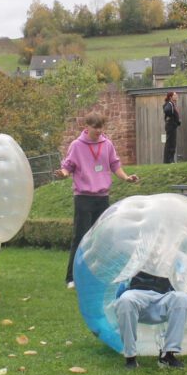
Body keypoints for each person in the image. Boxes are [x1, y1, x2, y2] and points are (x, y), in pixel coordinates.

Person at [54, 113, 140, 289]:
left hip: (102, 198)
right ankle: (71, 277)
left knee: (102, 238)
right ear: (87, 126)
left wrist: (126, 178)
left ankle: (100, 275)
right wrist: (62, 174)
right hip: (83, 198)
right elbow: (68, 167)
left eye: (101, 127)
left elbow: (115, 165)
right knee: (80, 237)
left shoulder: (107, 144)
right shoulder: (77, 145)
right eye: (95, 127)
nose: (99, 131)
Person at [114, 271, 187, 369]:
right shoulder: (136, 257)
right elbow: (123, 278)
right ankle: (130, 357)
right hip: (137, 293)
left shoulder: (173, 258)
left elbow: (182, 279)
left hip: (164, 295)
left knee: (183, 298)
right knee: (125, 300)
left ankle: (168, 354)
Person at [162, 91, 181, 164]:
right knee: (170, 143)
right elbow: (167, 110)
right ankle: (169, 160)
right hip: (170, 125)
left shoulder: (173, 104)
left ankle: (170, 159)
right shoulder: (169, 104)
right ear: (171, 97)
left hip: (173, 125)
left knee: (172, 142)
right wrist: (172, 117)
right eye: (175, 95)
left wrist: (177, 121)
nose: (176, 96)